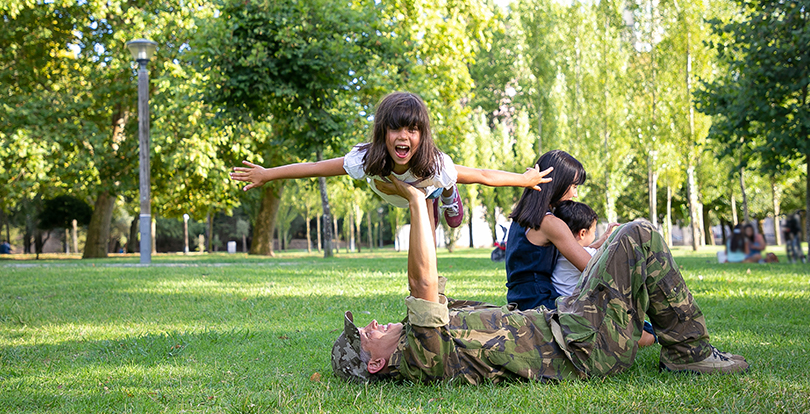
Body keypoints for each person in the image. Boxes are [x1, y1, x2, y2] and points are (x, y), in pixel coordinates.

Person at [331, 174, 749, 384]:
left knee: (634, 238)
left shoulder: (425, 340)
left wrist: (433, 192)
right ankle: (689, 352)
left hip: (572, 324)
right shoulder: (422, 355)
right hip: (583, 346)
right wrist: (414, 199)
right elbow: (421, 283)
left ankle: (683, 347)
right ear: (376, 362)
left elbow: (429, 273)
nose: (370, 324)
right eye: (363, 335)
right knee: (638, 233)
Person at [230, 91, 550, 231]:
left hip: (424, 187)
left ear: (422, 135)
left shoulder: (435, 163)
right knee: (422, 199)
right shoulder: (365, 159)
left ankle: (446, 193)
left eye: (412, 130)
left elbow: (481, 174)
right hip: (393, 189)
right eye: (395, 128)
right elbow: (314, 168)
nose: (403, 137)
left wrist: (524, 179)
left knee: (434, 203)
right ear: (382, 132)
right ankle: (438, 195)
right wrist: (267, 174)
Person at [504, 150, 613, 311]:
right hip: (541, 306)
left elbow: (576, 252)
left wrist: (602, 242)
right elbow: (593, 269)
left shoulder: (523, 216)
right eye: (574, 186)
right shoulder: (550, 223)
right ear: (558, 183)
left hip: (521, 300)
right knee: (642, 333)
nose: (575, 194)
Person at [552, 200, 656, 347]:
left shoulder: (560, 253)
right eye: (594, 232)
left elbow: (592, 251)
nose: (595, 236)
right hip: (582, 315)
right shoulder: (583, 255)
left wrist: (603, 239)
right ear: (582, 233)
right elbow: (607, 260)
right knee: (648, 336)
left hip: (568, 310)